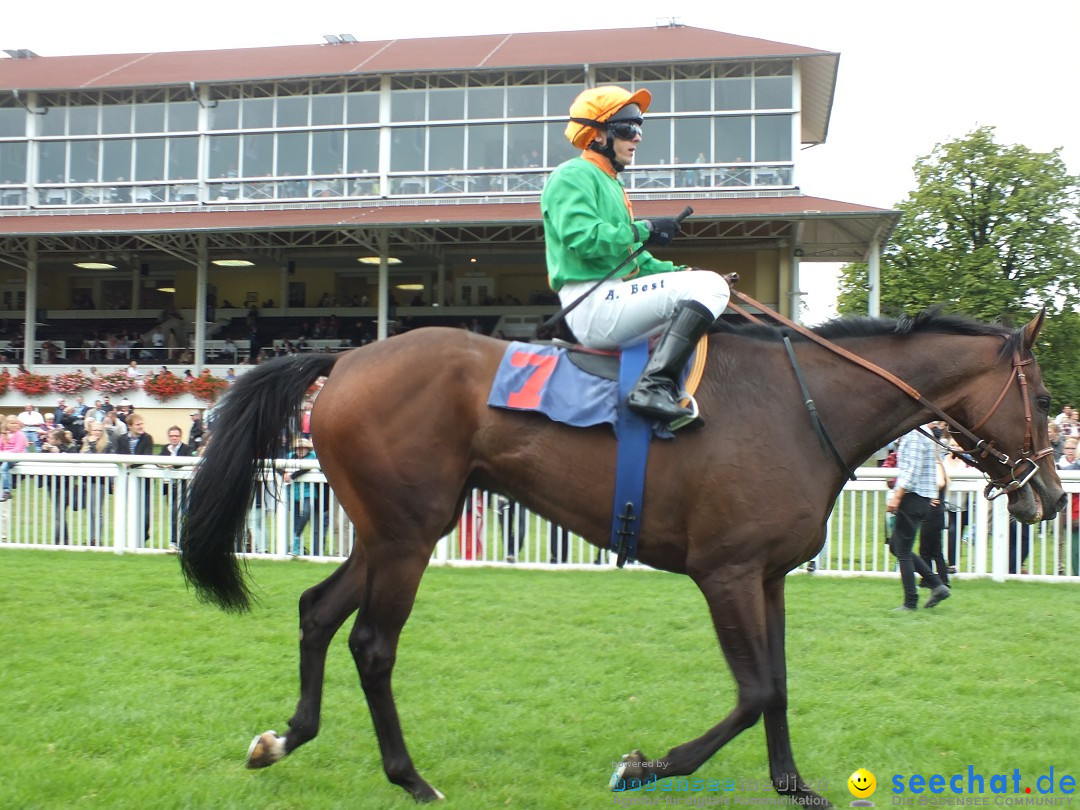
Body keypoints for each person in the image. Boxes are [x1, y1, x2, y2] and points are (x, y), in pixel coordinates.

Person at [540, 85, 730, 426]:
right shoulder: (573, 175)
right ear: (597, 135)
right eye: (628, 129)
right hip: (592, 302)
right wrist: (645, 229)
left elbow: (634, 263)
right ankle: (653, 387)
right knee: (709, 288)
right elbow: (583, 239)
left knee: (706, 286)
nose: (637, 137)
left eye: (639, 128)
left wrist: (684, 272)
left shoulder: (610, 182)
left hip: (613, 293)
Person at [886, 426, 951, 611]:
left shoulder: (914, 433)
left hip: (912, 498)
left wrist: (897, 497)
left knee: (903, 551)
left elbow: (912, 472)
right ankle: (937, 585)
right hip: (921, 499)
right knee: (896, 546)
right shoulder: (924, 432)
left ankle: (910, 602)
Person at [116, 413, 154, 545]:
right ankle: (133, 540)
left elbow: (147, 456)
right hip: (127, 480)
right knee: (132, 510)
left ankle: (143, 536)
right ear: (130, 426)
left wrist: (131, 463)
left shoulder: (147, 438)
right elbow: (118, 455)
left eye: (142, 424)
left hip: (144, 482)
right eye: (138, 424)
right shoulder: (121, 439)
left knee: (145, 513)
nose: (141, 426)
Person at [80, 420, 117, 546]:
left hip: (99, 481)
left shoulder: (107, 444)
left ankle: (97, 538)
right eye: (95, 430)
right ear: (90, 430)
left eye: (100, 430)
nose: (97, 432)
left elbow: (97, 460)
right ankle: (90, 538)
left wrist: (92, 444)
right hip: (86, 480)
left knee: (96, 511)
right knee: (89, 511)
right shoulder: (85, 442)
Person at [159, 425, 195, 549]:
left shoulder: (187, 448)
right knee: (174, 513)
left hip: (183, 486)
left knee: (181, 512)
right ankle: (175, 540)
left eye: (176, 436)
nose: (174, 438)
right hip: (169, 486)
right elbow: (158, 460)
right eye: (172, 436)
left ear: (180, 436)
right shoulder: (165, 449)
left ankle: (179, 540)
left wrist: (172, 465)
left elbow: (188, 461)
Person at [41, 428, 79, 544]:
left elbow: (74, 460)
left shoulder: (71, 447)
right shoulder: (48, 449)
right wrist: (44, 451)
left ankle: (58, 540)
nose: (48, 440)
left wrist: (59, 452)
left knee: (59, 513)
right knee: (59, 513)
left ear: (58, 440)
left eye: (51, 438)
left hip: (66, 484)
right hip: (52, 484)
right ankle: (63, 539)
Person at [0, 415, 29, 501]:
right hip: (5, 456)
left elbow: (18, 449)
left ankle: (6, 491)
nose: (14, 425)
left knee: (3, 468)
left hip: (16, 456)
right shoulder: (4, 434)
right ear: (7, 424)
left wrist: (4, 454)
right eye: (12, 423)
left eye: (16, 423)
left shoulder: (20, 434)